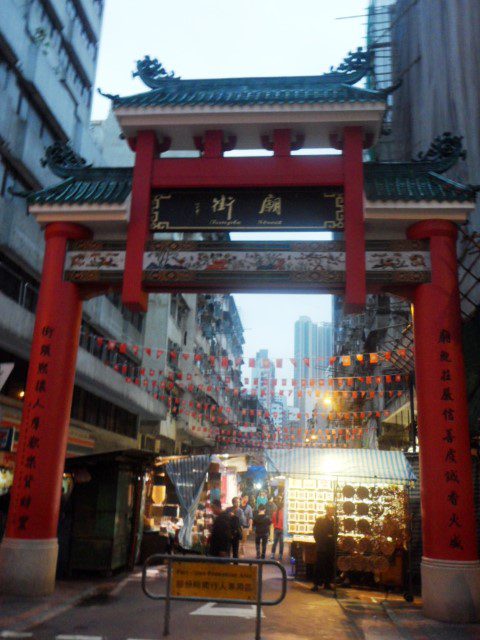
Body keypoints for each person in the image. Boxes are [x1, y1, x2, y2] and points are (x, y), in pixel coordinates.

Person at [311, 505, 336, 591]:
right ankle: (316, 584)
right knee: (319, 565)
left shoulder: (334, 521)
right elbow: (315, 532)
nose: (332, 511)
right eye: (330, 509)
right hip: (322, 546)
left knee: (329, 565)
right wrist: (319, 541)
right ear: (327, 510)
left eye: (333, 509)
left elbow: (336, 533)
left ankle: (327, 583)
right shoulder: (320, 520)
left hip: (331, 547)